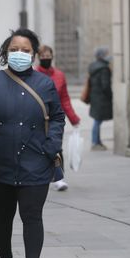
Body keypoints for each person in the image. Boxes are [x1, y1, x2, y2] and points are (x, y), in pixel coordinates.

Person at [0, 28, 65, 258]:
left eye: (25, 50)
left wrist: (50, 147)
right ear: (5, 52)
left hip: (36, 162)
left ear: (33, 54)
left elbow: (58, 117)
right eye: (13, 50)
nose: (19, 53)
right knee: (3, 216)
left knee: (32, 216)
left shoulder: (45, 84)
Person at [36, 44, 80, 191]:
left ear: (52, 57)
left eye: (48, 57)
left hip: (55, 119)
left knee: (56, 147)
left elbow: (65, 99)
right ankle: (40, 175)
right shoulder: (34, 75)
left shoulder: (59, 75)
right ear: (38, 58)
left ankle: (59, 178)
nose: (46, 59)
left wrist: (73, 118)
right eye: (43, 57)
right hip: (38, 118)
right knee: (38, 148)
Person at [87, 47, 112, 151]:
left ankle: (97, 141)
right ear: (102, 55)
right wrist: (110, 96)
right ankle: (95, 142)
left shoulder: (93, 66)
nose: (108, 56)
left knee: (97, 120)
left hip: (95, 96)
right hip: (101, 98)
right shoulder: (104, 69)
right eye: (106, 53)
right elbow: (105, 85)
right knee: (97, 121)